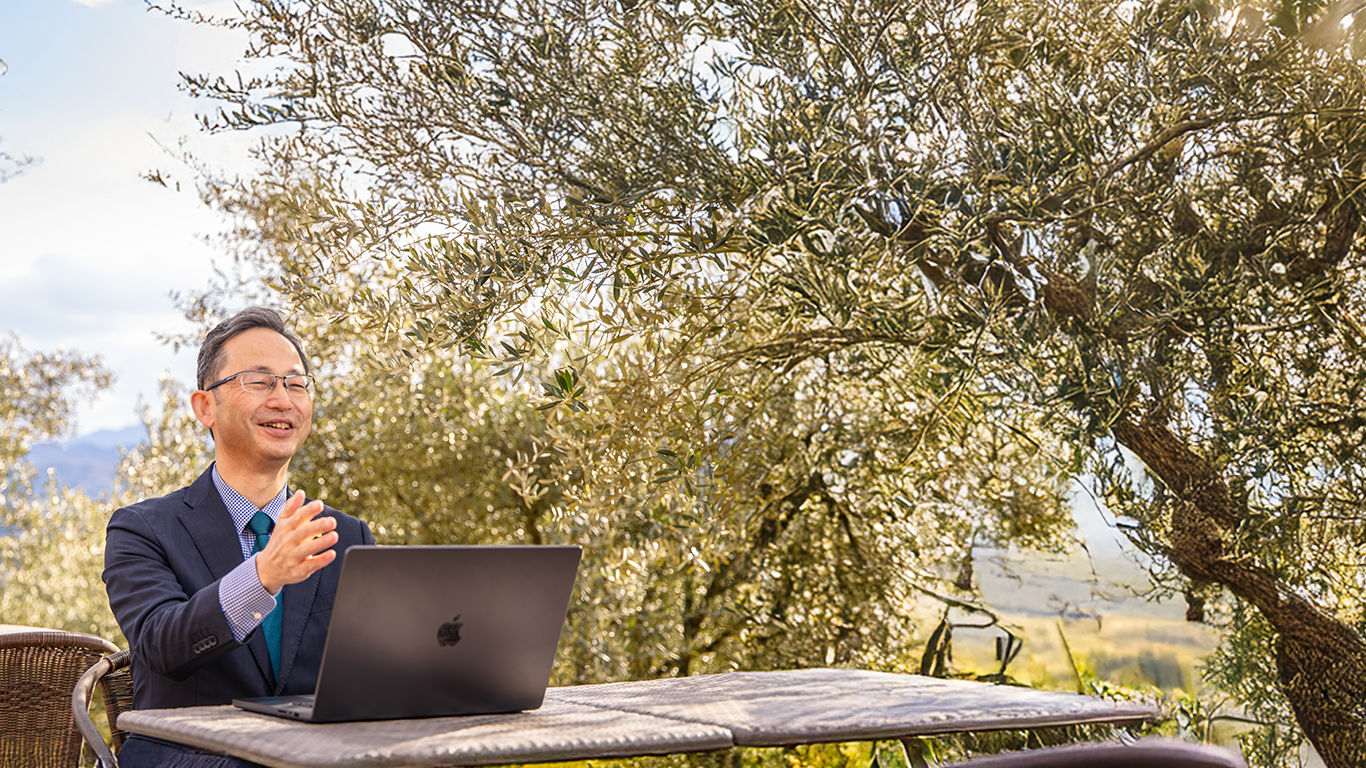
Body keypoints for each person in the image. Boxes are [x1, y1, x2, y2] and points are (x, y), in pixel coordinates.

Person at [104, 307, 375, 768]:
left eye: (296, 384)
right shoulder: (142, 529)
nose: (283, 400)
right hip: (189, 757)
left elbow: (373, 669)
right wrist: (262, 576)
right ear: (205, 407)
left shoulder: (347, 536)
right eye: (260, 381)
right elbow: (160, 646)